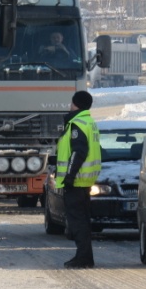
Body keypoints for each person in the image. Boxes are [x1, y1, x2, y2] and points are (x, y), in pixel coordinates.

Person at [55, 91, 101, 269]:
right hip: (85, 182)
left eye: (71, 102)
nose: (69, 105)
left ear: (76, 104)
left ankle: (84, 258)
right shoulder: (89, 122)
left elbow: (78, 152)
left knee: (78, 222)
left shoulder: (77, 124)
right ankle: (84, 256)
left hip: (76, 181)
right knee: (83, 220)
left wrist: (69, 176)